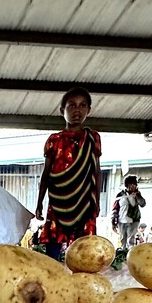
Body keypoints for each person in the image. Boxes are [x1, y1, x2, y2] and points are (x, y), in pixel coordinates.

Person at [34, 87, 102, 261]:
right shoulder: (54, 140)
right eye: (71, 105)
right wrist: (40, 202)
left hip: (85, 202)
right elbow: (47, 173)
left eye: (82, 105)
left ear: (88, 110)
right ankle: (52, 283)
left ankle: (82, 285)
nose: (77, 110)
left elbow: (96, 171)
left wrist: (97, 201)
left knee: (85, 252)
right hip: (58, 201)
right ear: (62, 110)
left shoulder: (93, 138)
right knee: (52, 252)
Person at [111, 174, 146, 249]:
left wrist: (137, 195)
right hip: (122, 220)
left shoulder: (137, 194)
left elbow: (142, 204)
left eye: (135, 184)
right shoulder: (120, 194)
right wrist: (113, 220)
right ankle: (123, 254)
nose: (133, 186)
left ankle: (130, 255)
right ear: (127, 185)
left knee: (131, 241)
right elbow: (115, 208)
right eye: (131, 184)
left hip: (133, 220)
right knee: (122, 239)